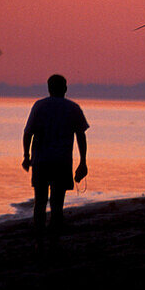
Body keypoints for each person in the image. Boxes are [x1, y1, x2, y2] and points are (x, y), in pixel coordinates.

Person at [22, 74, 89, 241]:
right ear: (65, 88)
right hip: (62, 161)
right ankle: (54, 240)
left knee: (40, 202)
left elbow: (28, 133)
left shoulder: (39, 106)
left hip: (41, 161)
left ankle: (39, 240)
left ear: (49, 88)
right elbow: (81, 136)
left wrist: (26, 155)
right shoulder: (73, 107)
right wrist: (83, 161)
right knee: (57, 203)